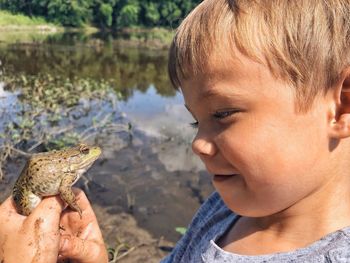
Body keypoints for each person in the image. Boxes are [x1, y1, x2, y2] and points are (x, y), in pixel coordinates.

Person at [2, 0, 350, 262]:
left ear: (342, 106)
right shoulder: (224, 210)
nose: (198, 143)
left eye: (223, 113)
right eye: (196, 121)